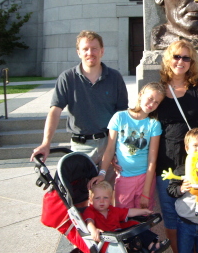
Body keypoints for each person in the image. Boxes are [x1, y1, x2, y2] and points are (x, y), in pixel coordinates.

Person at [30, 30, 128, 185]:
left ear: (102, 51)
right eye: (85, 49)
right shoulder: (67, 78)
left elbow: (122, 115)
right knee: (79, 196)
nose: (90, 53)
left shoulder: (115, 77)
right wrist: (46, 143)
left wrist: (118, 147)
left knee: (107, 195)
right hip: (80, 146)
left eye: (94, 48)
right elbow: (55, 111)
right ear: (78, 52)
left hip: (108, 144)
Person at [155, 40, 198, 253]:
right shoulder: (159, 89)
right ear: (168, 59)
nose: (180, 61)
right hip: (167, 165)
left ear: (191, 62)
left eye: (186, 58)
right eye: (176, 56)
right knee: (171, 215)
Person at [88, 82, 165, 210]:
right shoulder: (120, 117)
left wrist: (146, 192)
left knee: (143, 216)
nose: (152, 104)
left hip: (144, 178)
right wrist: (102, 173)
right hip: (124, 178)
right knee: (123, 216)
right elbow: (110, 149)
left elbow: (152, 159)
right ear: (141, 95)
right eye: (150, 98)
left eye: (156, 102)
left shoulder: (154, 124)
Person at [84, 181, 169, 253]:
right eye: (97, 198)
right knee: (133, 233)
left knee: (137, 227)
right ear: (91, 200)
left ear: (110, 199)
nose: (101, 201)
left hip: (119, 235)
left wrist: (143, 211)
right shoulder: (90, 211)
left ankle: (149, 246)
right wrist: (93, 230)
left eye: (105, 198)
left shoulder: (112, 210)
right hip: (108, 239)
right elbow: (89, 221)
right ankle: (142, 246)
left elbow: (128, 212)